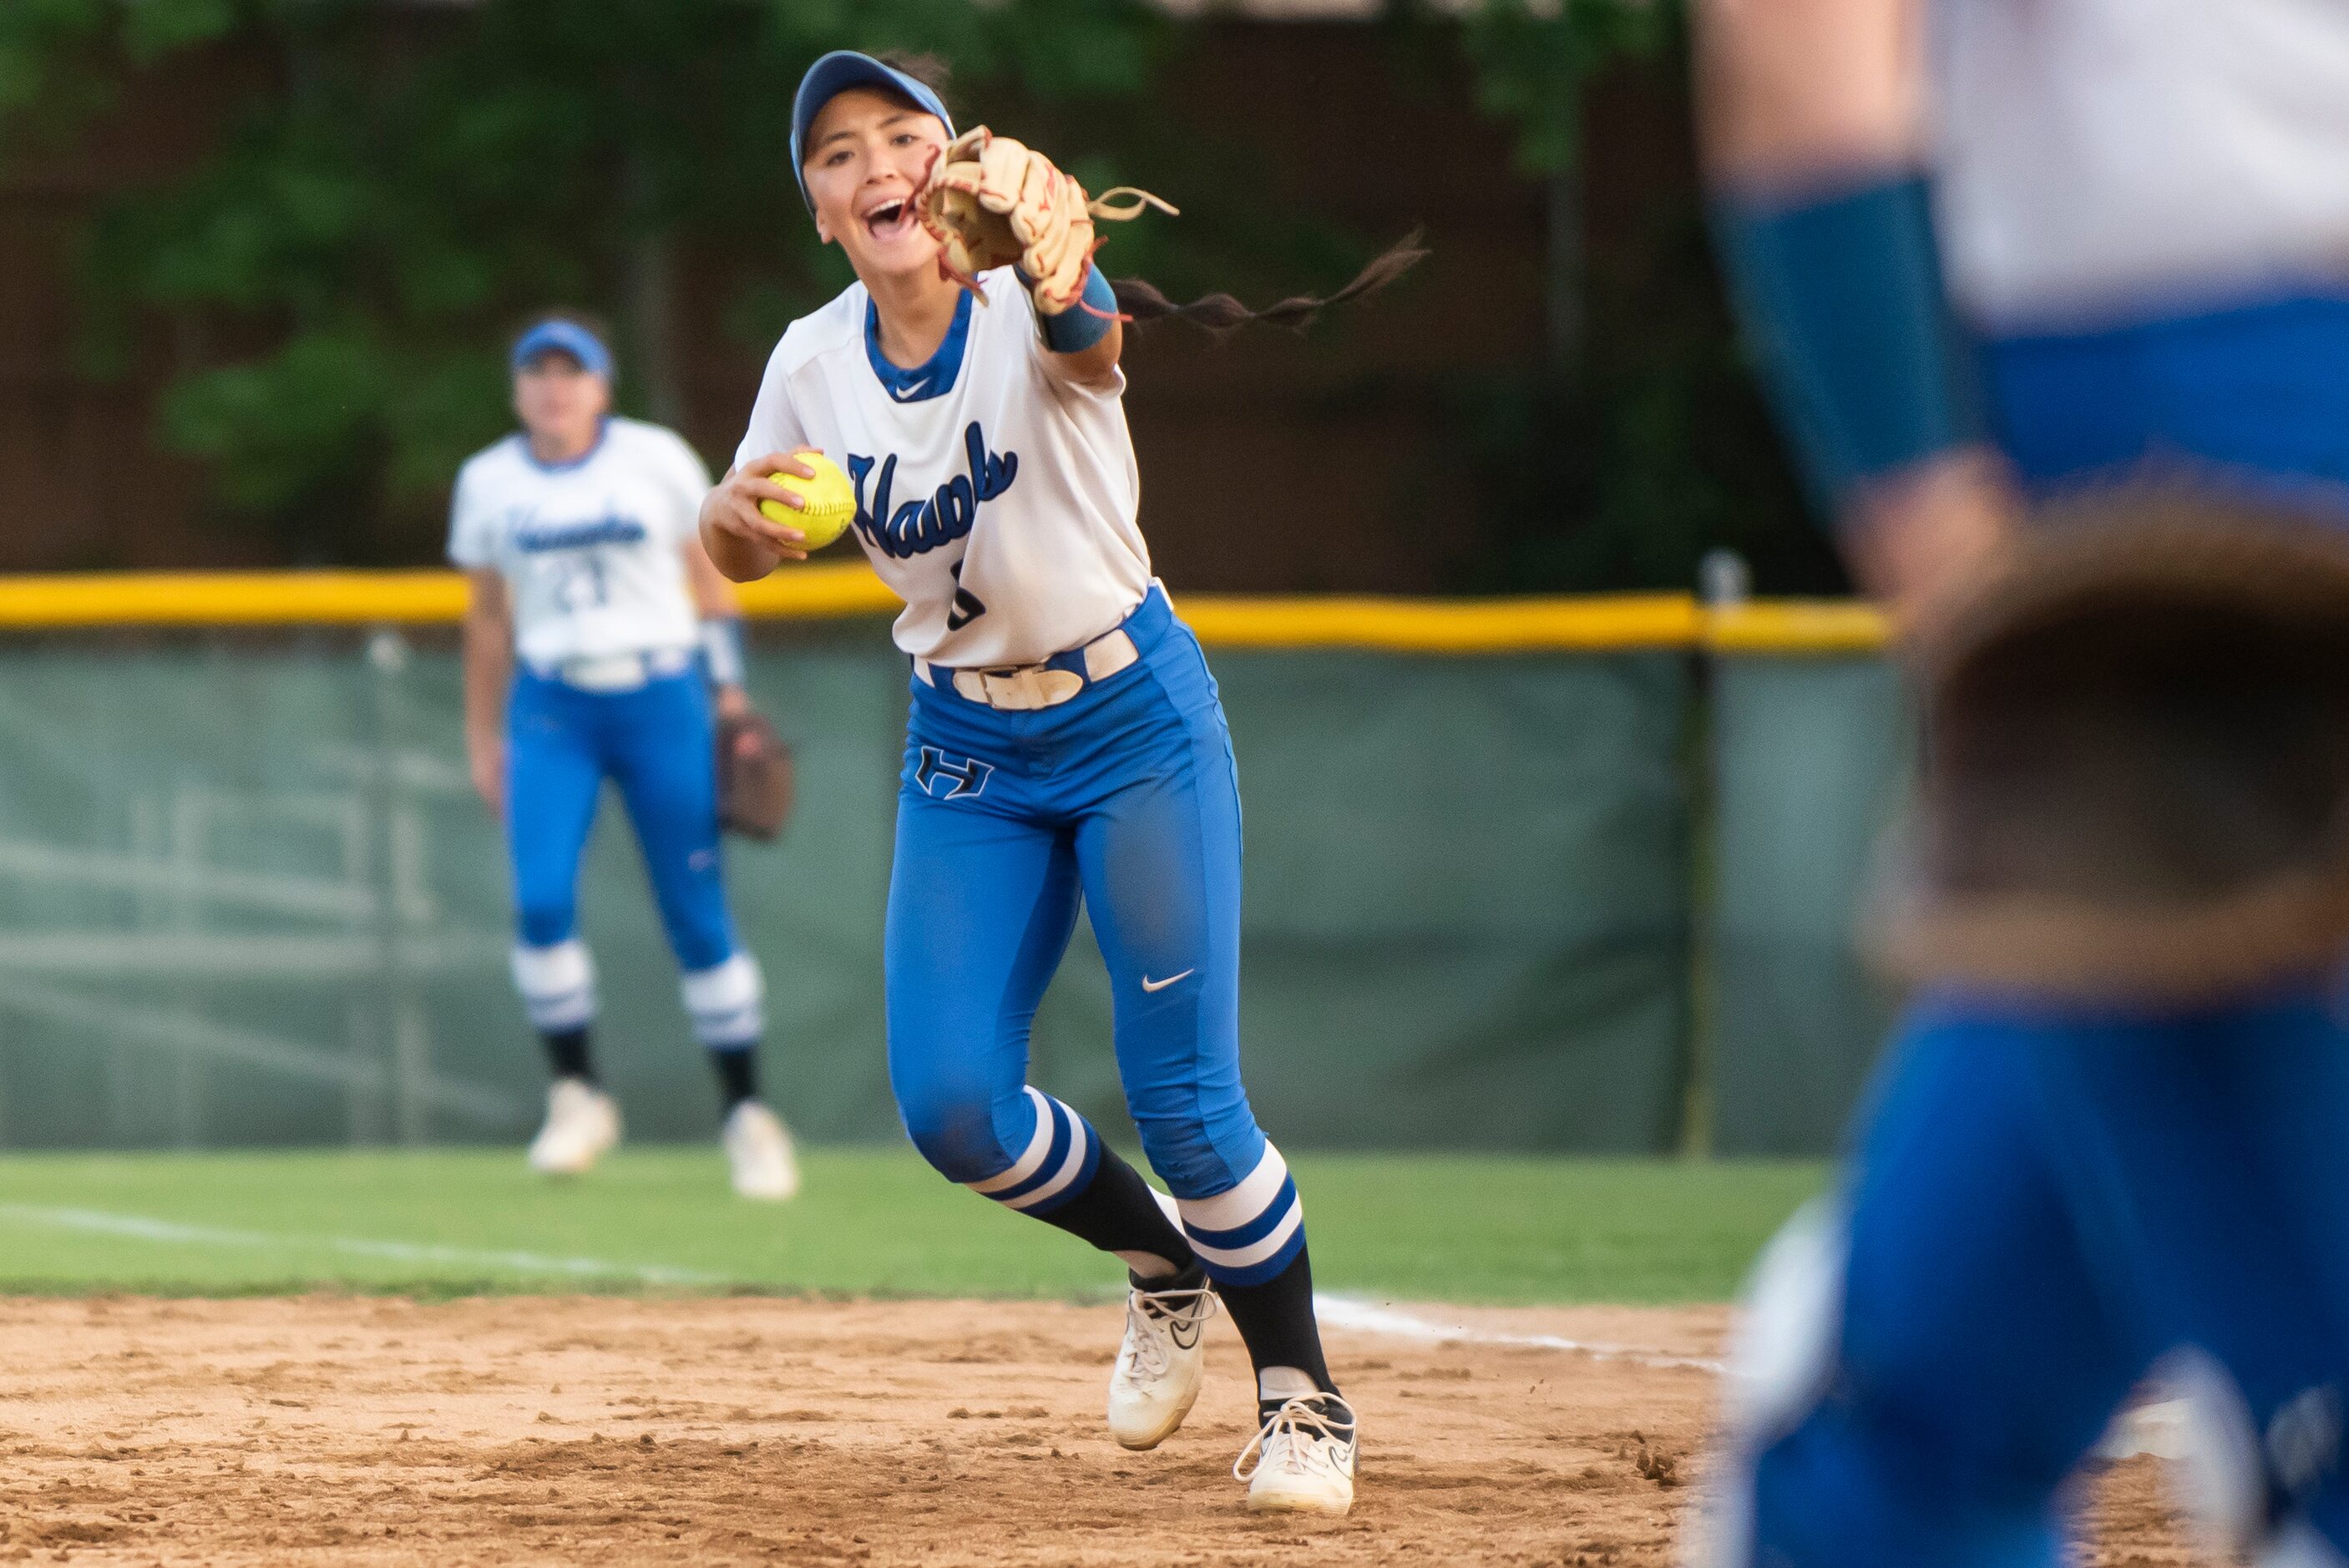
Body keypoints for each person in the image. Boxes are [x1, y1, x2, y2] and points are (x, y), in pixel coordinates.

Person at [699, 51, 1415, 1515]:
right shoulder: (811, 361)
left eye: (901, 134)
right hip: (965, 747)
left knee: (1188, 1104)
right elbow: (744, 542)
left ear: (952, 166)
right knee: (953, 1106)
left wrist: (1057, 265)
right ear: (819, 209)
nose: (874, 163)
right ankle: (1158, 1263)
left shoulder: (1033, 297)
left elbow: (1090, 347)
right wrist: (727, 525)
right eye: (838, 152)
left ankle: (1302, 1394)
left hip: (1131, 716)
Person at [1689, 0, 2349, 1560]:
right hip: (2205, 427)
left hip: (2192, 443)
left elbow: (1798, 47)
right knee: (1905, 1425)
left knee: (1916, 1433)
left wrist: (1928, 528)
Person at [450, 314, 800, 1202]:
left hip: (661, 696)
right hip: (551, 704)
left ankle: (748, 1116)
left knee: (695, 913)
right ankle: (576, 1096)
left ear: (602, 387)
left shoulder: (654, 458)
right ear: (517, 388)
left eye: (571, 372)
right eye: (537, 372)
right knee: (537, 901)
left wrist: (727, 690)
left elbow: (710, 576)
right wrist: (481, 736)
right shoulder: (488, 482)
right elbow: (488, 619)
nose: (553, 387)